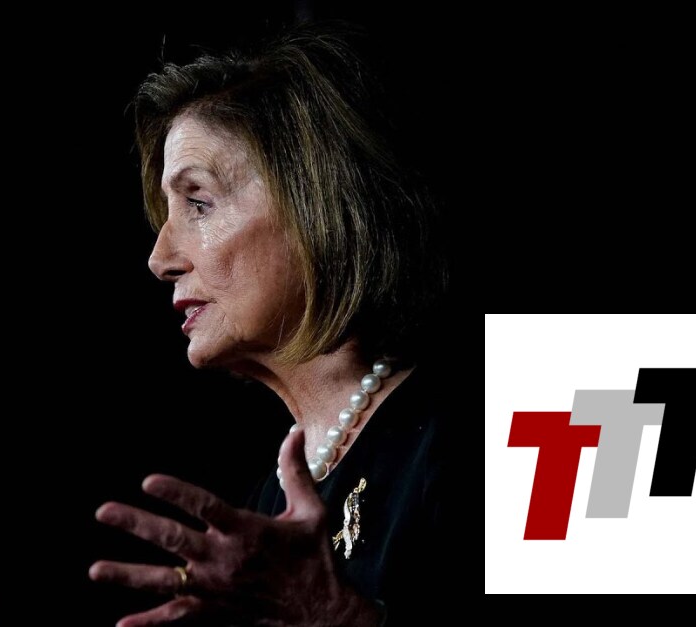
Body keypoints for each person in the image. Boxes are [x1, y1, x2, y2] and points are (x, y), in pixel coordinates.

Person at [88, 23, 459, 627]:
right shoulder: (264, 514)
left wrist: (332, 614)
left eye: (198, 203)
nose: (160, 260)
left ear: (317, 205)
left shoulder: (531, 414)